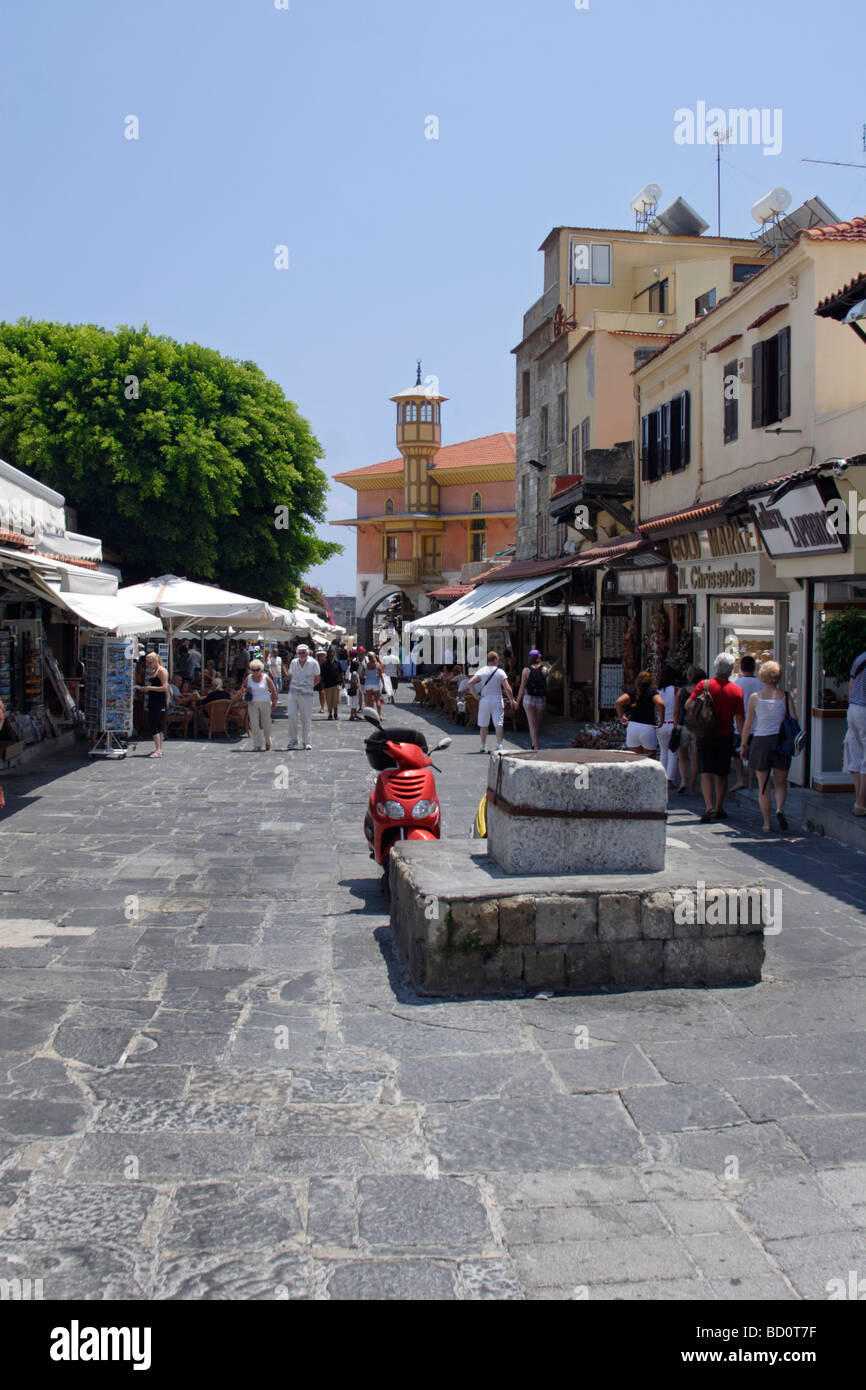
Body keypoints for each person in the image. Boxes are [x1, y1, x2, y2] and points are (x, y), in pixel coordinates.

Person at [687, 653, 745, 824]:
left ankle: (708, 805)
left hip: (705, 734)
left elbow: (688, 705)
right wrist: (743, 739)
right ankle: (719, 807)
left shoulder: (704, 685)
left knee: (706, 771)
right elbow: (740, 717)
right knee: (722, 773)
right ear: (731, 670)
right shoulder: (736, 690)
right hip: (725, 735)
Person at [740, 660, 796, 833]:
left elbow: (748, 724)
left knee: (763, 785)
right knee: (780, 782)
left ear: (763, 675)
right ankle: (779, 808)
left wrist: (743, 745)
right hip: (781, 742)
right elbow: (794, 720)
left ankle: (767, 823)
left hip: (761, 741)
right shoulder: (785, 697)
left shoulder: (756, 698)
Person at [467, 651, 515, 754]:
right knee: (498, 724)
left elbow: (470, 683)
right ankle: (499, 745)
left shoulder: (482, 671)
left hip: (484, 699)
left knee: (484, 725)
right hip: (497, 699)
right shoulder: (500, 672)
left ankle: (483, 746)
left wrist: (476, 696)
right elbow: (507, 687)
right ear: (495, 660)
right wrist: (512, 700)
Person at [615, 671, 665, 757]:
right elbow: (660, 704)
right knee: (650, 760)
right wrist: (661, 720)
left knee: (637, 760)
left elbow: (618, 702)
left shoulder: (633, 692)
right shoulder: (652, 693)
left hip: (632, 727)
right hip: (647, 727)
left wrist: (621, 716)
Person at [731, 655, 762, 791]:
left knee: (737, 755)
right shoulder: (761, 684)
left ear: (741, 668)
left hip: (739, 726)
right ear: (754, 668)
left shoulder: (736, 684)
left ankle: (740, 780)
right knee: (753, 756)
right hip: (757, 726)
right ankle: (750, 782)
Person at [674, 665, 704, 796]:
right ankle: (692, 786)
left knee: (682, 757)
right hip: (696, 728)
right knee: (694, 758)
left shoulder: (681, 691)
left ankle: (683, 782)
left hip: (682, 726)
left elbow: (676, 711)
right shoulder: (702, 692)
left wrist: (675, 726)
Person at [286, 644, 320, 749]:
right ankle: (293, 740)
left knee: (306, 718)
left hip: (307, 694)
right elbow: (291, 675)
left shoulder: (313, 663)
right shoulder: (293, 662)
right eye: (299, 653)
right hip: (293, 693)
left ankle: (306, 741)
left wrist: (308, 687)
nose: (301, 655)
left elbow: (317, 678)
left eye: (303, 653)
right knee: (292, 716)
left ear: (308, 652)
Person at [514, 648, 549, 753]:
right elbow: (546, 684)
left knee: (531, 723)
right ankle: (535, 743)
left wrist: (517, 701)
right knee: (538, 723)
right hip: (541, 699)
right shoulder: (545, 669)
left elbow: (522, 687)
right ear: (539, 657)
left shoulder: (526, 670)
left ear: (530, 658)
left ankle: (535, 745)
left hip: (528, 698)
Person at [846, 645, 866, 816]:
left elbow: (851, 684)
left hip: (853, 709)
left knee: (857, 758)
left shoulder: (860, 658)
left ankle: (858, 803)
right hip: (865, 710)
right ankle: (861, 802)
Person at [242, 658, 278, 751]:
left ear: (261, 669)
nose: (255, 672)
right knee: (254, 723)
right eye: (253, 670)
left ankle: (267, 740)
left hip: (265, 702)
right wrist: (246, 691)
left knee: (266, 723)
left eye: (257, 670)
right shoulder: (249, 678)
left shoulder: (266, 677)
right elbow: (243, 687)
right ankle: (257, 744)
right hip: (252, 703)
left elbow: (273, 690)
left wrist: (274, 701)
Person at [655, 665, 680, 788]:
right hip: (672, 724)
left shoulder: (657, 691)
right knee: (673, 753)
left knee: (663, 752)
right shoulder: (676, 690)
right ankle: (669, 779)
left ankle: (661, 777)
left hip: (660, 724)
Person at [140, 651, 168, 759]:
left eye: (150, 662)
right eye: (147, 662)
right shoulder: (155, 670)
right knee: (156, 723)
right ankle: (159, 748)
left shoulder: (162, 671)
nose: (149, 665)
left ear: (156, 661)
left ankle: (158, 749)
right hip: (153, 699)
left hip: (158, 700)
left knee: (153, 723)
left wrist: (149, 688)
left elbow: (164, 687)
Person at [320, 647, 344, 721]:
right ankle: (330, 713)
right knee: (329, 700)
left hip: (336, 684)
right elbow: (321, 675)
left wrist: (343, 682)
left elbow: (341, 673)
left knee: (336, 700)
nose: (331, 657)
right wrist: (321, 683)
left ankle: (335, 713)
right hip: (327, 685)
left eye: (332, 655)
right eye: (329, 655)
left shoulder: (337, 663)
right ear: (327, 655)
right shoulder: (324, 664)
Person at [363, 650, 385, 719]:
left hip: (368, 683)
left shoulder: (365, 665)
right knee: (377, 699)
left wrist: (367, 676)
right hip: (375, 683)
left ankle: (369, 715)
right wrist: (384, 685)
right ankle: (379, 715)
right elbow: (381, 675)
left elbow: (363, 675)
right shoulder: (377, 665)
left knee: (368, 700)